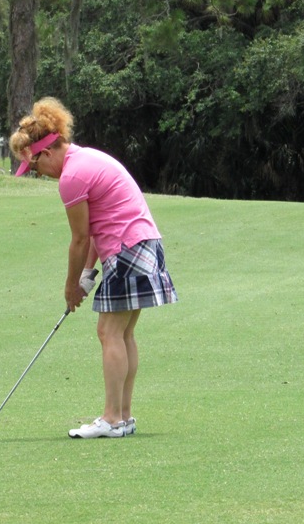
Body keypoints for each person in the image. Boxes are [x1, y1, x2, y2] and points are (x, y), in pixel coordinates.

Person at [10, 97, 178, 439]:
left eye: (35, 167)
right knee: (122, 333)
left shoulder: (71, 176)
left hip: (127, 249)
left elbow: (79, 239)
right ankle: (123, 418)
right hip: (143, 245)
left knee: (109, 332)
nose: (39, 174)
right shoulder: (86, 158)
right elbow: (97, 228)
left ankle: (112, 419)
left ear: (45, 152)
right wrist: (87, 276)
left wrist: (71, 286)